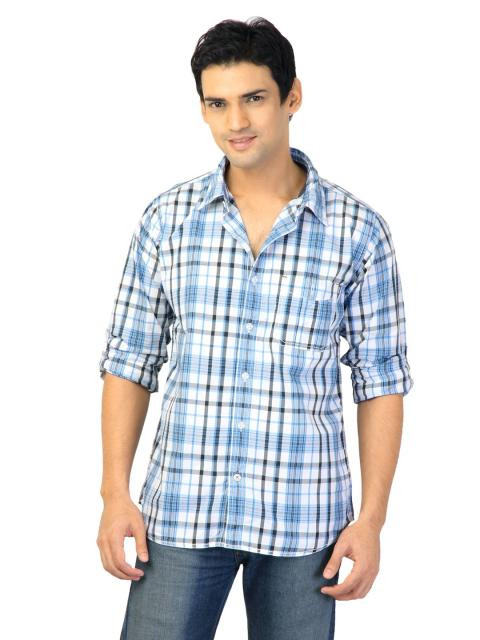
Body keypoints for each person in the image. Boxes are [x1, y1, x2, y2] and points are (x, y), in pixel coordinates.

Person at [97, 16, 414, 640]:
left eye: (254, 98)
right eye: (217, 103)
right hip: (183, 509)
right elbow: (129, 362)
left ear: (292, 97)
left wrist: (372, 521)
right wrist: (114, 494)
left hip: (305, 522)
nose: (235, 122)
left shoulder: (358, 233)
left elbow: (380, 381)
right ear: (202, 108)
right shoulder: (167, 221)